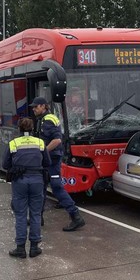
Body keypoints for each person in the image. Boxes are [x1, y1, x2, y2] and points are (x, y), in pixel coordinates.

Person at [30, 96, 86, 232]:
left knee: (56, 188)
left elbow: (57, 140)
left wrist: (43, 152)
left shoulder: (48, 120)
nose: (33, 109)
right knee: (42, 187)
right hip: (51, 159)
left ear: (43, 106)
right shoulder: (46, 119)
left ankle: (75, 216)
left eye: (36, 107)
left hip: (51, 159)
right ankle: (38, 218)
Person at [3, 118, 50, 258]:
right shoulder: (40, 143)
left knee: (21, 214)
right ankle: (35, 247)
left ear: (19, 129)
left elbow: (5, 164)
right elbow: (48, 162)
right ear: (32, 129)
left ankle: (20, 248)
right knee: (35, 213)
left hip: (20, 181)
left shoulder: (13, 143)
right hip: (37, 180)